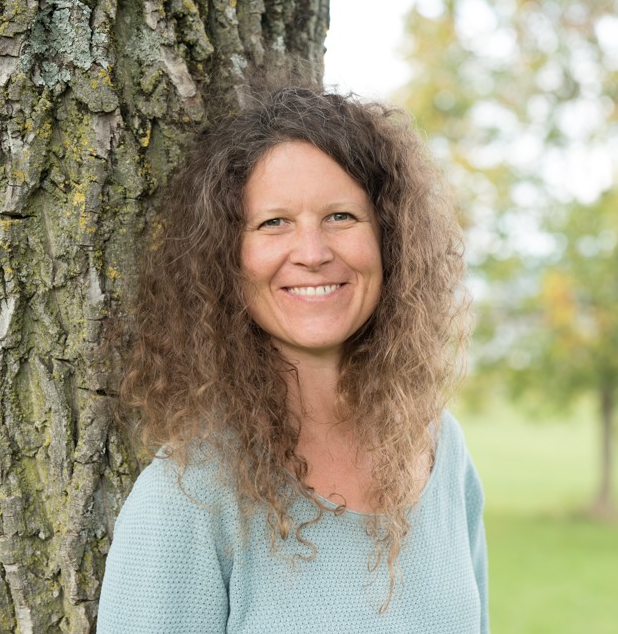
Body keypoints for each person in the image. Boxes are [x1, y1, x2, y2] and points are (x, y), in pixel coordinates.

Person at [97, 76, 488, 633]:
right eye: (274, 223)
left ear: (390, 239)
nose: (312, 252)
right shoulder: (190, 496)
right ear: (227, 258)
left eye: (341, 217)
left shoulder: (441, 450)